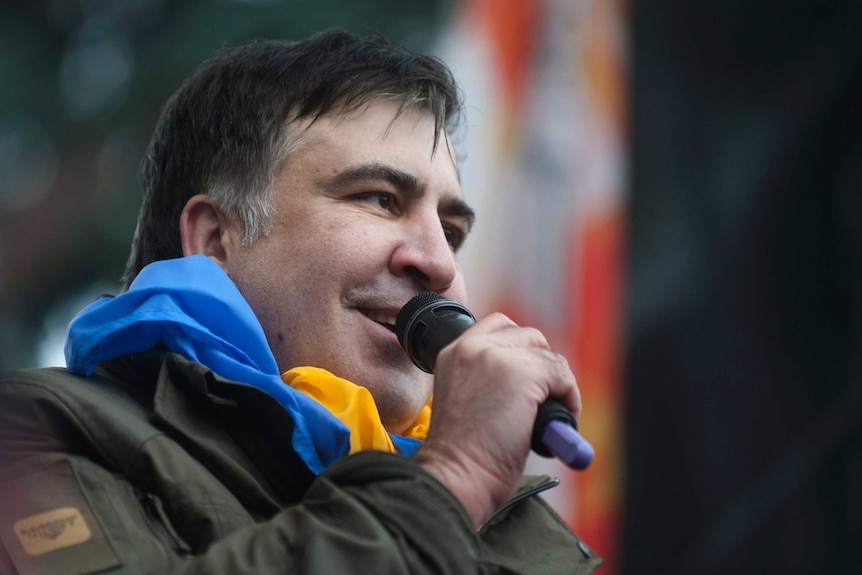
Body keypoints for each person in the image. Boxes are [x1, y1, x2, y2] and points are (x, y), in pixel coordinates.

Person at [0, 28, 602, 574]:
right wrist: (453, 478)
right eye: (379, 199)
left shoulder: (523, 533)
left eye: (451, 231)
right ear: (215, 240)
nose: (439, 262)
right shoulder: (36, 436)